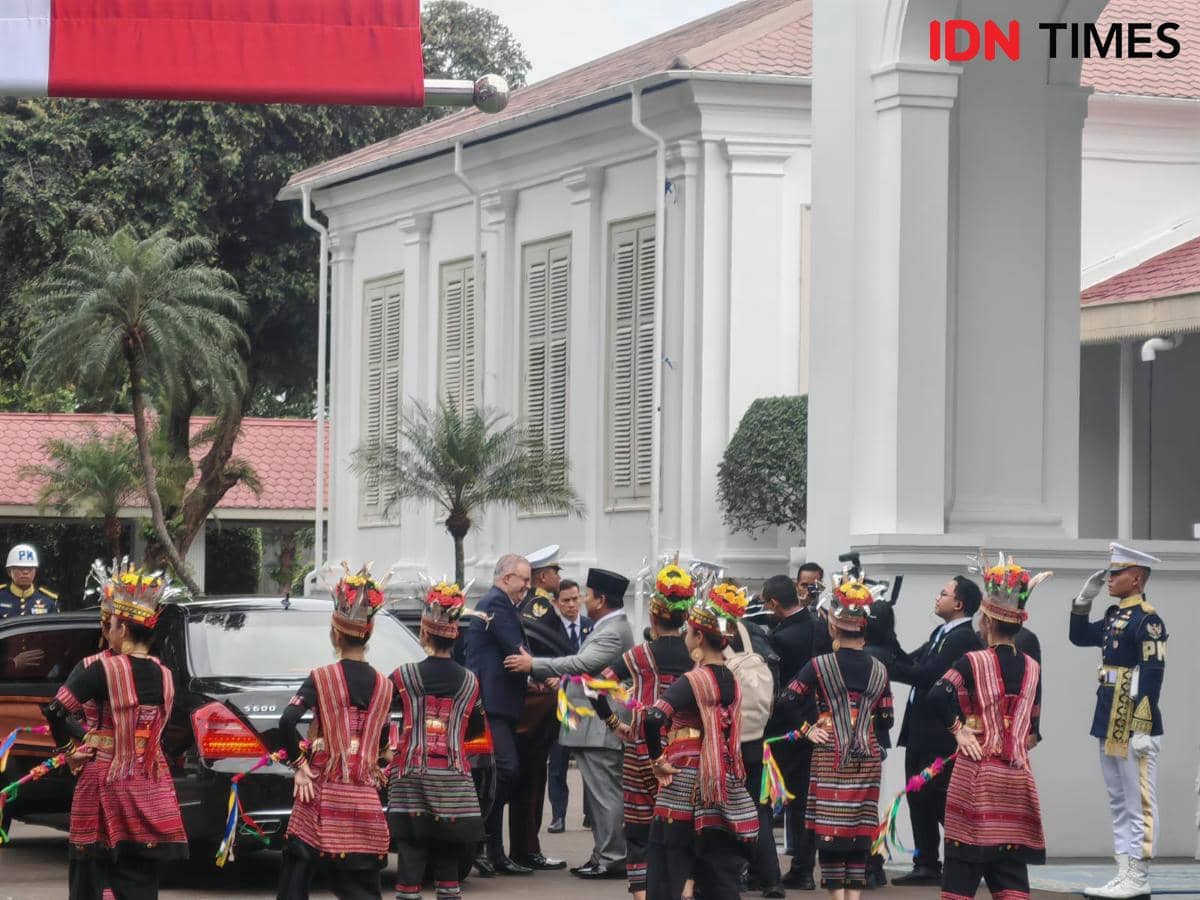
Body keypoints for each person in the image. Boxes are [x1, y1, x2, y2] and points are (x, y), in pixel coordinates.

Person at [44, 562, 188, 899]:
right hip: (150, 783)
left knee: (92, 870)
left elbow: (55, 710)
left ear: (121, 628)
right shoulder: (166, 674)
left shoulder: (99, 669)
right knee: (140, 873)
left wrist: (70, 751)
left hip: (104, 779)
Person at [928, 554, 1049, 900]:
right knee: (1010, 877)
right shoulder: (1032, 667)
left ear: (987, 621)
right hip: (1016, 780)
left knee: (961, 879)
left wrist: (958, 729)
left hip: (976, 775)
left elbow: (938, 694)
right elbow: (1033, 721)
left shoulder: (973, 661)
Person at [505, 567, 635, 879]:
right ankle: (603, 853)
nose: (584, 601)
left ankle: (613, 858)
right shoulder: (608, 626)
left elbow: (582, 664)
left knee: (605, 795)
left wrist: (533, 665)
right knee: (600, 795)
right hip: (593, 724)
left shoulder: (613, 630)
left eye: (587, 595)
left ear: (601, 599)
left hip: (601, 724)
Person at [277, 564, 392, 900]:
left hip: (322, 788)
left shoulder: (321, 677)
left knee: (298, 868)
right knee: (362, 881)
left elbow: (287, 721)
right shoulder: (384, 685)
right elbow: (383, 744)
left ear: (336, 634)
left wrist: (300, 765)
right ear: (369, 634)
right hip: (363, 795)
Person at [776, 578, 893, 900]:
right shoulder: (880, 669)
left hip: (829, 749)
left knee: (830, 828)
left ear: (834, 628)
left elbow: (787, 700)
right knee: (859, 827)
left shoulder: (819, 665)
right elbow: (886, 717)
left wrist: (807, 729)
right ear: (863, 628)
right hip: (866, 752)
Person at [643, 581, 759, 900]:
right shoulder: (732, 679)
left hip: (685, 780)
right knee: (717, 868)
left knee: (669, 865)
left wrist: (657, 761)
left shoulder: (693, 680)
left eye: (689, 632)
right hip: (722, 779)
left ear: (698, 638)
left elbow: (653, 718)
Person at [1069, 543, 1167, 899]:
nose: (1110, 578)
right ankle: (1124, 871)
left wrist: (1142, 725)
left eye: (1117, 573)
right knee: (1118, 800)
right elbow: (1079, 637)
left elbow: (1152, 674)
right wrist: (1083, 601)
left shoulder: (1147, 620)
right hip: (1110, 716)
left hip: (1134, 720)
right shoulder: (1115, 616)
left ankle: (1139, 875)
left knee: (1140, 801)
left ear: (1136, 578)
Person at [591, 562, 694, 900]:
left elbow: (595, 688)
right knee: (683, 824)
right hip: (684, 752)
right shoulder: (697, 658)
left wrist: (614, 724)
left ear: (653, 615)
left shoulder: (638, 656)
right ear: (685, 617)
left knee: (638, 828)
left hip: (640, 750)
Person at [388, 581, 487, 900]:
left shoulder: (403, 676)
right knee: (448, 855)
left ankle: (408, 891)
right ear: (455, 636)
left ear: (424, 634)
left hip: (411, 775)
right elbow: (475, 729)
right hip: (454, 779)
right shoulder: (471, 682)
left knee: (411, 851)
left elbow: (381, 714)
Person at [888, 575, 984, 886]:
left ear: (958, 604)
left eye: (943, 593)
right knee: (918, 798)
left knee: (937, 798)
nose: (937, 598)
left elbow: (927, 675)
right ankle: (926, 863)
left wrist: (884, 665)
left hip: (940, 733)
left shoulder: (962, 638)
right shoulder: (941, 633)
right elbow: (909, 661)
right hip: (921, 730)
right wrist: (886, 635)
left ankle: (968, 857)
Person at [462, 553, 533, 875]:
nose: (527, 588)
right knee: (504, 771)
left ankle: (492, 850)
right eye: (524, 581)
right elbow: (517, 650)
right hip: (491, 704)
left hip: (500, 704)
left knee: (499, 775)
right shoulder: (497, 604)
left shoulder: (500, 603)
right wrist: (544, 671)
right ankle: (477, 841)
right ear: (507, 578)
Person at [510, 544, 568, 870]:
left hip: (528, 703)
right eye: (555, 572)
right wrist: (553, 674)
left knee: (526, 779)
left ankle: (521, 848)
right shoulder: (541, 606)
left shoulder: (526, 604)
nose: (559, 577)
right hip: (539, 704)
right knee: (532, 780)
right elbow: (550, 650)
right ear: (543, 576)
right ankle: (528, 849)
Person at [763, 573, 820, 890]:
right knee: (803, 801)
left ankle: (764, 870)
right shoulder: (818, 626)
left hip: (785, 726)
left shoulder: (781, 638)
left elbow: (776, 687)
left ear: (774, 603)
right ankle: (803, 868)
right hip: (815, 722)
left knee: (766, 795)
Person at [546, 579, 593, 834]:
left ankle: (590, 814)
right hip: (560, 706)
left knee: (590, 763)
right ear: (556, 603)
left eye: (576, 599)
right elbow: (540, 661)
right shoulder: (548, 629)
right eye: (566, 600)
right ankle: (558, 816)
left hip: (587, 705)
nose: (572, 605)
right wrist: (549, 677)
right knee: (558, 763)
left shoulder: (591, 627)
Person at [0, 543, 60, 677]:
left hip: (40, 676)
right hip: (5, 676)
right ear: (9, 571)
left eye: (30, 568)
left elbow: (55, 642)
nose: (25, 572)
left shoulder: (48, 601)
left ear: (35, 571)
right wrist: (12, 663)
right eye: (20, 568)